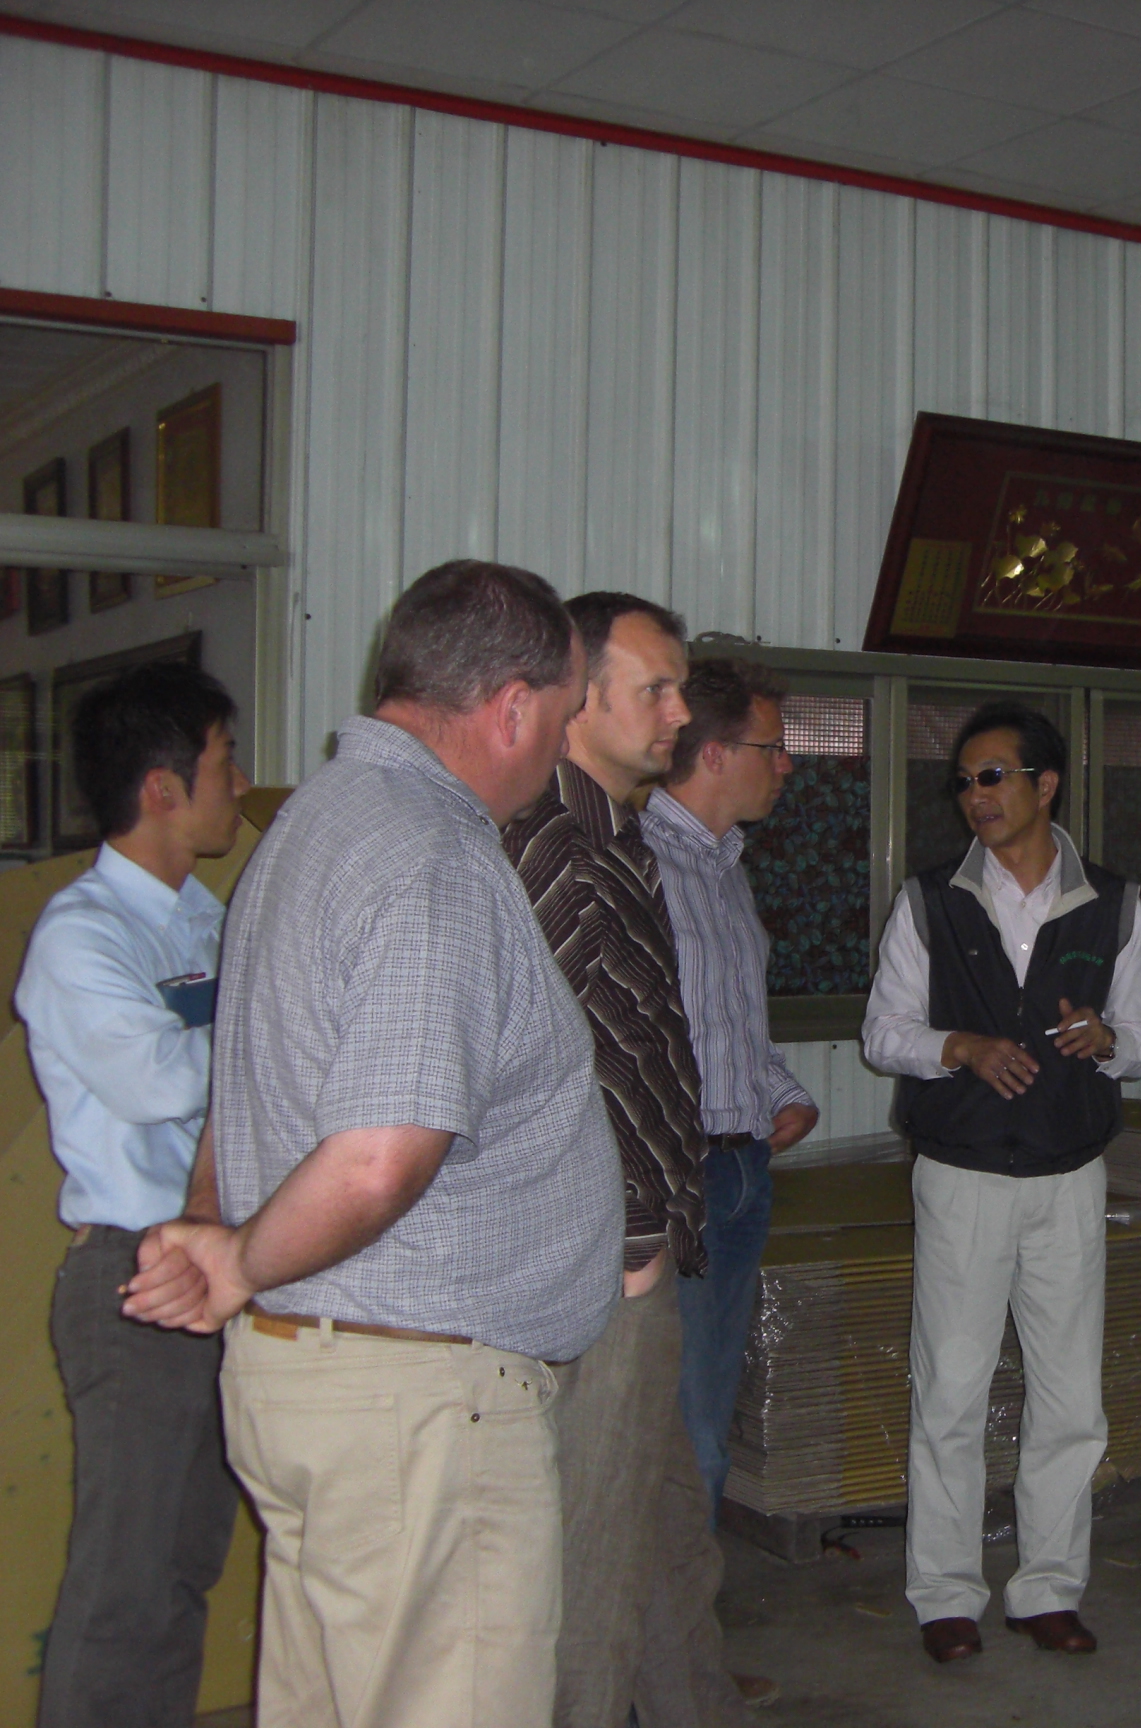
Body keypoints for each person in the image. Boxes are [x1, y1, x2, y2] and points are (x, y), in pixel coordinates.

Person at [122, 559, 623, 1728]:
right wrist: (235, 1259)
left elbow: (249, 1086)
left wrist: (211, 1230)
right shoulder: (431, 854)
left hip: (316, 1377)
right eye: (561, 722)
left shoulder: (306, 828)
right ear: (511, 708)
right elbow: (379, 1157)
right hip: (419, 1404)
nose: (558, 754)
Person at [501, 593, 764, 1725]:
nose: (677, 713)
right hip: (604, 1262)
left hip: (647, 1241)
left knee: (666, 1551)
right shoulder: (547, 847)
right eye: (654, 689)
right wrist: (632, 1242)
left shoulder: (619, 838)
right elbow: (556, 1079)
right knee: (595, 1577)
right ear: (577, 695)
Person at [861, 701, 1141, 1665]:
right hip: (963, 1177)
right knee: (950, 1389)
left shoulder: (1114, 902)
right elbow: (883, 1033)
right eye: (964, 781)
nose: (975, 796)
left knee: (1070, 1396)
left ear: (1047, 784)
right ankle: (946, 1594)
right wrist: (960, 1046)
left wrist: (1106, 1039)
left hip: (1070, 1178)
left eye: (993, 776)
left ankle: (1048, 1590)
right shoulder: (930, 900)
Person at [20, 662, 248, 1728]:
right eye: (223, 761)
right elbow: (157, 1080)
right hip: (133, 1277)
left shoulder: (205, 918)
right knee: (126, 1583)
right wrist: (270, 1032)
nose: (237, 784)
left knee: (183, 1564)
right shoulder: (83, 932)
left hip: (215, 1266)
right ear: (162, 788)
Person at [642, 658, 820, 1521]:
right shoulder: (635, 863)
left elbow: (725, 1019)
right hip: (678, 1177)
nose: (785, 766)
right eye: (771, 747)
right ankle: (662, 1605)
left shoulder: (725, 865)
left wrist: (780, 1089)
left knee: (708, 1410)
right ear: (712, 753)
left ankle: (688, 1598)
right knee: (679, 1425)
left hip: (743, 1168)